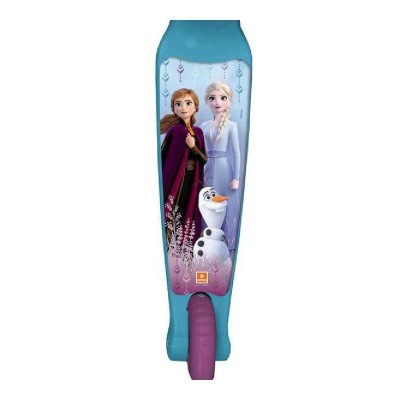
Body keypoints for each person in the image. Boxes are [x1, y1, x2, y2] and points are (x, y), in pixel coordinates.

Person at [161, 88, 207, 247]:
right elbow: (163, 156)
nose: (183, 108)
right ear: (174, 108)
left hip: (192, 180)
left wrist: (193, 147)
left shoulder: (198, 132)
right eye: (178, 104)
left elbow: (204, 160)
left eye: (188, 103)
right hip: (176, 178)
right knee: (174, 208)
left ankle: (183, 245)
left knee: (188, 208)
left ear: (195, 107)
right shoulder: (174, 131)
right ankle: (168, 243)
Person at [202, 82, 240, 250]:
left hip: (225, 170)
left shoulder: (231, 125)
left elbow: (236, 152)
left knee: (227, 205)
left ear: (229, 101)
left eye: (222, 98)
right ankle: (209, 242)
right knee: (209, 204)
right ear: (207, 101)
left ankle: (229, 243)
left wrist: (236, 177)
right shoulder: (204, 126)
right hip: (209, 168)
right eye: (212, 98)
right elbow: (203, 151)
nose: (217, 102)